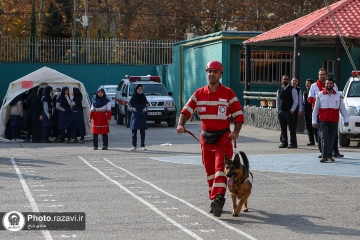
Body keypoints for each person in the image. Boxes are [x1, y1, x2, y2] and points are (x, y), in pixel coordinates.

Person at [176, 60, 244, 217]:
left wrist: (236, 132)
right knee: (210, 172)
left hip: (223, 139)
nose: (211, 74)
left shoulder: (228, 93)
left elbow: (239, 115)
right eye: (209, 71)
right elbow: (186, 111)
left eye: (215, 71)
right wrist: (181, 125)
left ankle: (219, 198)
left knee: (221, 168)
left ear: (221, 74)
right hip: (205, 139)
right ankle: (214, 199)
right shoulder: (199, 93)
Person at [308, 68, 344, 158]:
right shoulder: (314, 86)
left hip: (332, 114)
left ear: (326, 75)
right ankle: (322, 151)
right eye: (320, 74)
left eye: (323, 74)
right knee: (322, 134)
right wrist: (319, 99)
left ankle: (335, 151)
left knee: (333, 134)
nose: (322, 76)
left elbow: (337, 96)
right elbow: (309, 99)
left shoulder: (333, 85)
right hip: (320, 113)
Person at [312, 78, 349, 163]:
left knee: (332, 138)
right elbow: (316, 109)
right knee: (324, 137)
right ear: (325, 84)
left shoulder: (338, 95)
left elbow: (342, 109)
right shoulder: (320, 95)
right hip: (323, 120)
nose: (329, 85)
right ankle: (324, 155)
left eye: (330, 83)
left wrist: (346, 119)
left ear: (333, 85)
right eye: (327, 83)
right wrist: (314, 121)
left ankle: (329, 155)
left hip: (334, 120)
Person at [276, 75, 298, 148]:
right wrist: (278, 110)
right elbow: (277, 101)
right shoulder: (279, 90)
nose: (285, 80)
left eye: (287, 79)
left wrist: (292, 110)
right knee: (283, 128)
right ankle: (284, 142)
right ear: (281, 80)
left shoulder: (292, 89)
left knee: (292, 128)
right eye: (284, 79)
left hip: (289, 112)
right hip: (281, 112)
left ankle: (293, 143)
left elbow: (296, 101)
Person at [129, 84, 149, 151]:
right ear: (136, 89)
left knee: (142, 131)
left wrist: (145, 109)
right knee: (134, 131)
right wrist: (133, 109)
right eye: (139, 88)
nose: (140, 90)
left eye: (141, 89)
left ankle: (143, 145)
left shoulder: (143, 97)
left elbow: (147, 105)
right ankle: (134, 145)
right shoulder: (133, 97)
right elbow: (129, 106)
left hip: (142, 115)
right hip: (135, 115)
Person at [303, 78, 316, 145]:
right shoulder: (305, 92)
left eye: (308, 83)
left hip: (313, 110)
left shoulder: (314, 92)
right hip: (306, 111)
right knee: (308, 126)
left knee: (314, 125)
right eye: (306, 83)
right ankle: (311, 140)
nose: (307, 84)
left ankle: (317, 139)